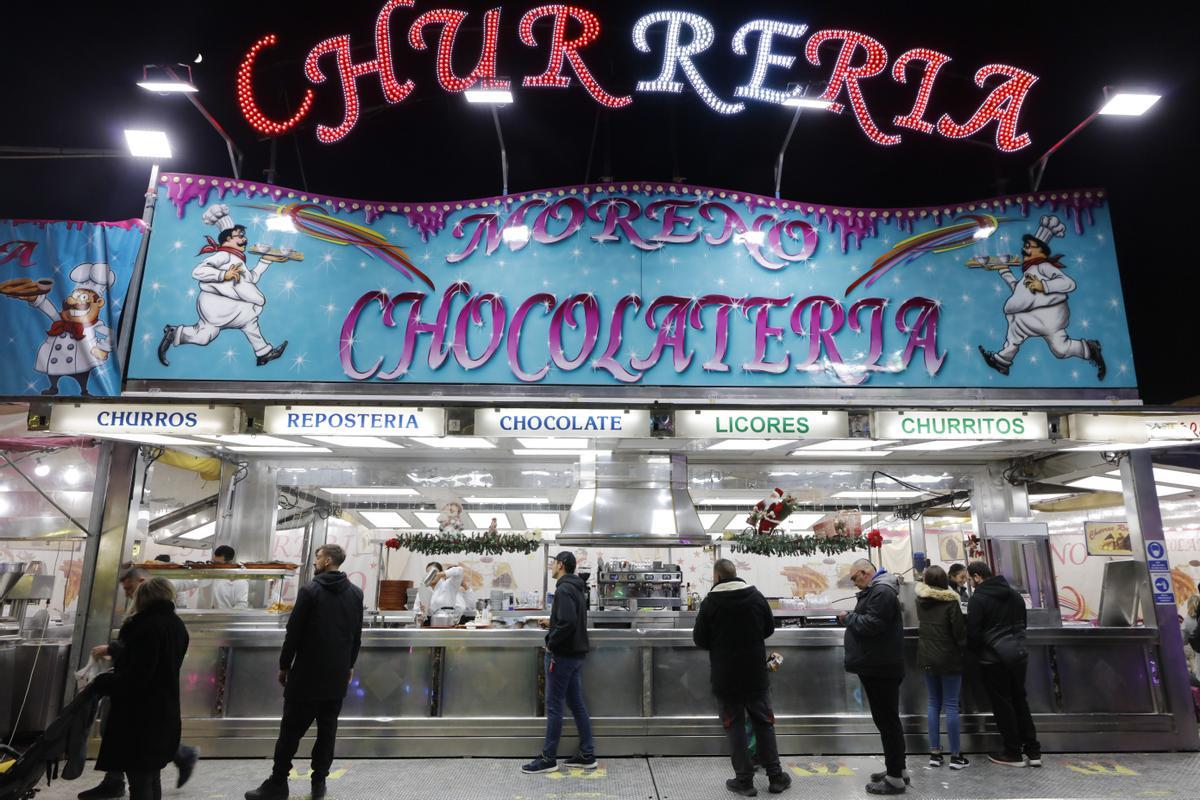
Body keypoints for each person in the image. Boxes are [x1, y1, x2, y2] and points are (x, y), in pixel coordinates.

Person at [246, 544, 364, 800]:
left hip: (307, 674)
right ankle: (318, 784)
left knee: (290, 731)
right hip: (336, 675)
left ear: (328, 560)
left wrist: (284, 665)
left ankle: (278, 783)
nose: (315, 562)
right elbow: (356, 635)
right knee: (327, 732)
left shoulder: (310, 590)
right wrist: (349, 665)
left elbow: (294, 631)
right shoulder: (356, 593)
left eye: (318, 557)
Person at [79, 567, 198, 800]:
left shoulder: (146, 627)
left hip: (140, 716)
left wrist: (102, 681)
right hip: (164, 709)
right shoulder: (176, 626)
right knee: (151, 775)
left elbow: (138, 677)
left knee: (140, 778)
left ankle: (114, 783)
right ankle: (115, 782)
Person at [693, 558, 791, 797]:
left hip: (726, 677)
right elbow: (769, 629)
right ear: (735, 574)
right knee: (763, 723)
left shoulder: (710, 603)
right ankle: (776, 777)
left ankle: (744, 781)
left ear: (717, 577)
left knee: (734, 726)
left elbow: (700, 640)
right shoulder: (756, 597)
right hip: (755, 674)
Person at [157, 203, 289, 367]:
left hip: (221, 306)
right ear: (228, 239)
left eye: (244, 236)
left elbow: (251, 279)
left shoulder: (237, 259)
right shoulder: (224, 255)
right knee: (249, 317)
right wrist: (223, 275)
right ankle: (263, 352)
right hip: (217, 302)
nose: (244, 239)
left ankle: (174, 333)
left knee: (205, 336)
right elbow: (198, 271)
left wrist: (266, 260)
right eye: (240, 236)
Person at [838, 558, 907, 795]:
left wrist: (848, 618)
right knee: (887, 721)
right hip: (878, 665)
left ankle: (895, 778)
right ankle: (897, 769)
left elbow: (872, 625)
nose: (854, 583)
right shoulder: (878, 591)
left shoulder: (882, 592)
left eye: (855, 578)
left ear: (866, 572)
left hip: (881, 667)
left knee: (888, 722)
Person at [522, 551, 595, 775]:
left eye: (553, 563)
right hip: (575, 656)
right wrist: (552, 621)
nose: (551, 567)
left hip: (561, 656)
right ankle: (586, 754)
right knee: (576, 704)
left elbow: (568, 623)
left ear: (561, 565)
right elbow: (567, 619)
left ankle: (548, 757)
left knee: (554, 707)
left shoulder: (563, 589)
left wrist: (551, 643)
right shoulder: (577, 587)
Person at [966, 560, 1041, 767]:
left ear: (977, 577)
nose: (971, 583)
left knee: (1003, 704)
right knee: (1020, 700)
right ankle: (1033, 751)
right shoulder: (1015, 595)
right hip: (1018, 655)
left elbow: (973, 634)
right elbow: (1023, 624)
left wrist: (975, 653)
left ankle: (1012, 752)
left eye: (971, 579)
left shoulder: (978, 599)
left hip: (992, 659)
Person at [916, 566, 968, 770]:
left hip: (927, 656)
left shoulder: (920, 600)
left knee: (933, 704)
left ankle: (935, 753)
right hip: (949, 658)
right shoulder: (951, 601)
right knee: (952, 705)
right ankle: (956, 756)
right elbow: (958, 632)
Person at [194, 545, 250, 610]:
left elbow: (241, 604)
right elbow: (193, 583)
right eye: (213, 562)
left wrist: (227, 617)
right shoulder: (209, 573)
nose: (215, 566)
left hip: (225, 618)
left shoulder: (240, 581)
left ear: (229, 562)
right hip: (202, 615)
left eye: (218, 563)